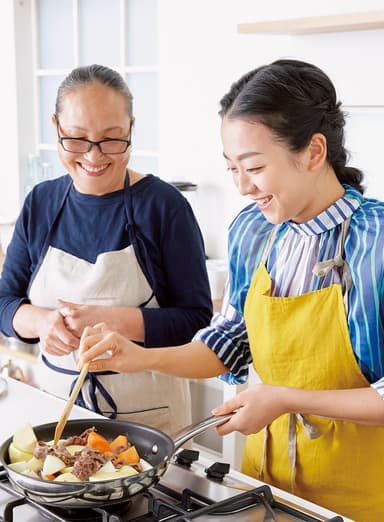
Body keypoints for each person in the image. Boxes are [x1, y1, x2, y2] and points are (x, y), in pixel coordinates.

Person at [78, 59, 384, 520]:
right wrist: (138, 356)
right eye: (232, 168)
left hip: (365, 498)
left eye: (254, 166)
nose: (242, 187)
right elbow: (229, 343)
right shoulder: (254, 231)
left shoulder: (375, 241)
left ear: (314, 152)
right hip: (271, 489)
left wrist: (284, 399)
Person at [0, 64, 213, 435]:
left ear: (132, 128)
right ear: (56, 128)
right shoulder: (41, 202)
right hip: (57, 418)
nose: (94, 156)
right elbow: (4, 301)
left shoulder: (164, 206)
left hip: (149, 423)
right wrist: (42, 323)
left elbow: (196, 320)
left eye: (112, 139)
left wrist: (113, 321)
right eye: (78, 139)